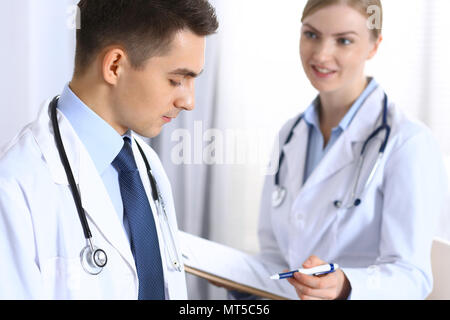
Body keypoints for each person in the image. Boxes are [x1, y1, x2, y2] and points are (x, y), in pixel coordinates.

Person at [0, 0, 218, 300]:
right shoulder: (14, 185)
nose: (188, 102)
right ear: (115, 65)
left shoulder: (146, 166)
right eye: (176, 80)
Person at [257, 0, 447, 300]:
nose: (321, 54)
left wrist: (345, 285)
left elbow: (412, 276)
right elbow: (273, 252)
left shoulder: (408, 142)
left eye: (343, 40)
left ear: (374, 47)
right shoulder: (289, 134)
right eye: (311, 34)